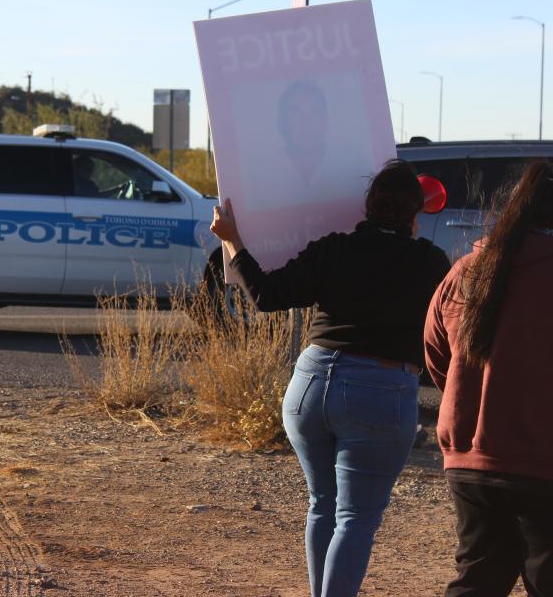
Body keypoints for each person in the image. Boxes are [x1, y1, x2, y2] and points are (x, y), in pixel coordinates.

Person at [211, 159, 451, 597]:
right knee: (356, 518)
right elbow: (446, 336)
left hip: (310, 383)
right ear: (416, 215)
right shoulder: (432, 262)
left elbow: (265, 295)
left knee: (322, 505)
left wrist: (232, 240)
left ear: (368, 207)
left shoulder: (333, 247)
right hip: (378, 392)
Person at [424, 160, 553, 596]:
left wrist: (475, 405)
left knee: (477, 582)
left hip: (470, 461)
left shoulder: (467, 270)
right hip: (542, 463)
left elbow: (436, 353)